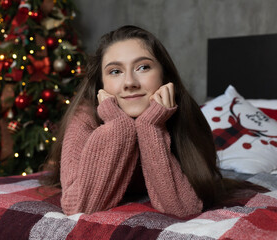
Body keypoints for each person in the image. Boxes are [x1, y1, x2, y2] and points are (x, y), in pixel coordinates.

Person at [42, 25, 265, 217]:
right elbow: (77, 207)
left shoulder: (183, 116)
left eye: (143, 67)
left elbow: (184, 208)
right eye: (115, 71)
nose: (129, 82)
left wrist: (151, 126)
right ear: (101, 84)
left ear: (164, 75)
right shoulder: (84, 118)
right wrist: (118, 126)